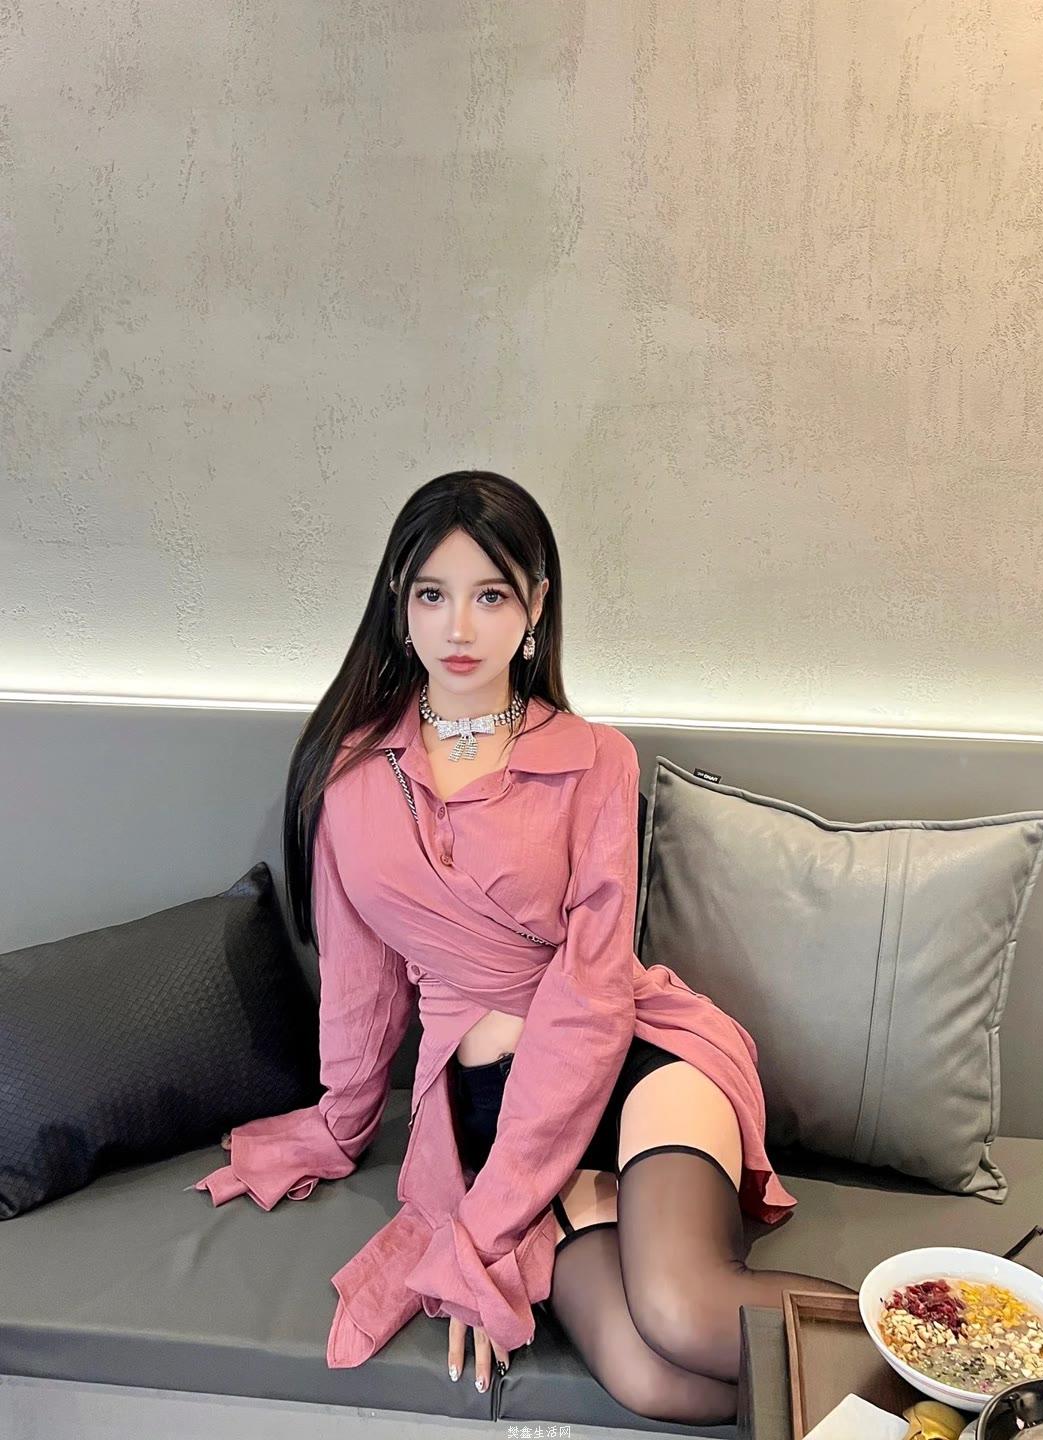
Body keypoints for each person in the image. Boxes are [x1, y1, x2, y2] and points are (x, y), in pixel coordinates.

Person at [192, 469, 852, 1425]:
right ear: (399, 602)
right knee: (650, 1378)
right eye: (434, 594)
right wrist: (338, 1127)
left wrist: (485, 1224)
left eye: (492, 595)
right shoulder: (351, 778)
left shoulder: (596, 759)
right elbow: (362, 985)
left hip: (635, 1060)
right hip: (494, 1117)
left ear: (536, 606)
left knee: (683, 1308)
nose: (459, 627)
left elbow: (593, 995)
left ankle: (1001, 1364)